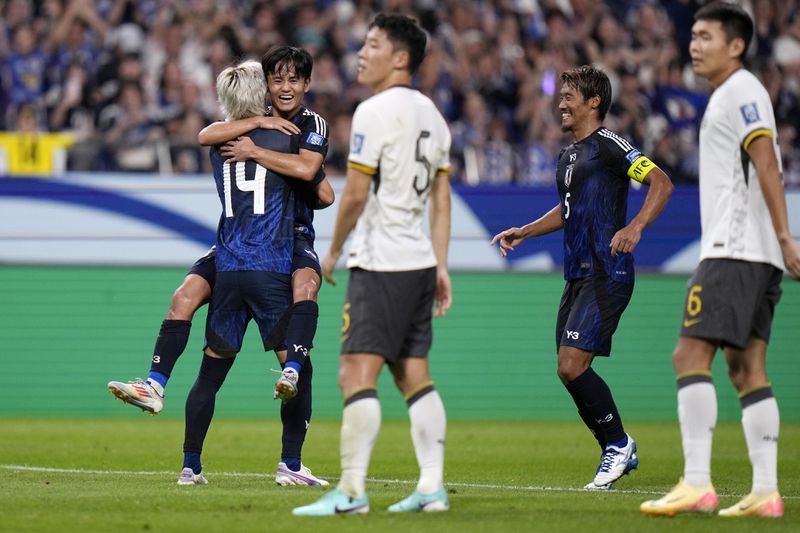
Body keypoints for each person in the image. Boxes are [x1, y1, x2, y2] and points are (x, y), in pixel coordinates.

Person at [108, 49, 332, 487]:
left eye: (292, 80)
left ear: (305, 83)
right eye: (275, 80)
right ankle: (289, 458)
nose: (283, 88)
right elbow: (323, 194)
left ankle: (182, 444)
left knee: (197, 323)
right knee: (297, 356)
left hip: (231, 257)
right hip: (272, 251)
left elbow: (204, 133)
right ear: (264, 87)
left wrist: (251, 139)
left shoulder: (227, 139)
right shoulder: (281, 132)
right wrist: (262, 132)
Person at [641, 2, 800, 518]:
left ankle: (696, 482)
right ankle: (766, 491)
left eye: (706, 36)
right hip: (757, 254)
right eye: (692, 35)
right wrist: (779, 243)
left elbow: (767, 163)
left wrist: (785, 233)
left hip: (734, 249)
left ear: (735, 45)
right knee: (746, 368)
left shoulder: (740, 91)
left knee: (688, 356)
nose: (695, 44)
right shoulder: (732, 94)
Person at [292, 13, 453, 516]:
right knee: (413, 375)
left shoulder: (374, 111)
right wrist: (442, 265)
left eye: (373, 44)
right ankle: (431, 487)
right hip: (420, 261)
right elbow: (442, 200)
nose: (362, 52)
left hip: (381, 260)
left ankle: (352, 492)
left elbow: (356, 192)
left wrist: (334, 249)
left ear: (400, 58)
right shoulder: (434, 115)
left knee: (353, 373)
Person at [491, 65, 673, 490]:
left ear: (594, 102)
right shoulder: (568, 154)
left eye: (569, 96)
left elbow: (661, 183)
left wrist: (636, 227)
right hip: (577, 274)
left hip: (607, 270)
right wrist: (527, 230)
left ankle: (617, 444)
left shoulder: (610, 145)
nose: (561, 105)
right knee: (567, 369)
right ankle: (614, 445)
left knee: (572, 365)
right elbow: (569, 209)